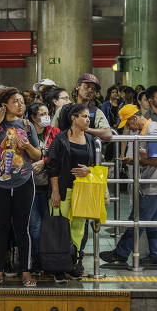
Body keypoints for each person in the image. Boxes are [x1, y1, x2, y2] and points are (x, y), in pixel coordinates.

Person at [0, 87, 41, 287]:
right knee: (1, 228)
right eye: (16, 101)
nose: (21, 104)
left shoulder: (27, 125)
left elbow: (37, 155)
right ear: (4, 105)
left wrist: (28, 147)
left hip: (24, 182)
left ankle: (26, 272)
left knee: (22, 228)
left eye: (22, 101)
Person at [100, 105, 157, 266]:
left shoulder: (153, 131)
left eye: (128, 124)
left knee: (136, 220)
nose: (129, 128)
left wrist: (134, 160)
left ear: (135, 118)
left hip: (152, 184)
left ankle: (121, 253)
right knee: (154, 222)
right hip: (153, 183)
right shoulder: (147, 130)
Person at [45, 104, 98, 281]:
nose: (88, 119)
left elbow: (95, 166)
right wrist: (55, 192)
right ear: (73, 118)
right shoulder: (60, 139)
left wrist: (88, 171)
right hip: (63, 190)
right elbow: (52, 167)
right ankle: (58, 267)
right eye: (84, 116)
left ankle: (74, 264)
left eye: (88, 116)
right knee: (61, 229)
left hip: (82, 191)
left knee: (78, 231)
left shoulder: (90, 139)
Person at [26, 101, 60, 275]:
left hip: (49, 187)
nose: (46, 117)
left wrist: (43, 162)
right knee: (34, 226)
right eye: (41, 114)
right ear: (33, 117)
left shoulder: (54, 132)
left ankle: (49, 260)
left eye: (48, 113)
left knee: (48, 226)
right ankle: (35, 261)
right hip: (29, 187)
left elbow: (59, 155)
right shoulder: (25, 132)